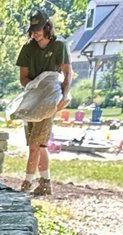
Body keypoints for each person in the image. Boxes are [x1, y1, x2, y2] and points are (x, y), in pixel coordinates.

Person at [16, 13, 71, 196]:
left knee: (35, 143)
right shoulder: (27, 49)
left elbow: (67, 73)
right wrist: (35, 86)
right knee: (40, 145)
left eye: (38, 29)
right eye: (32, 30)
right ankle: (46, 183)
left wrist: (63, 95)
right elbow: (23, 77)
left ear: (47, 27)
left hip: (50, 99)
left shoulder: (59, 46)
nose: (35, 34)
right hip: (32, 98)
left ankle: (27, 183)